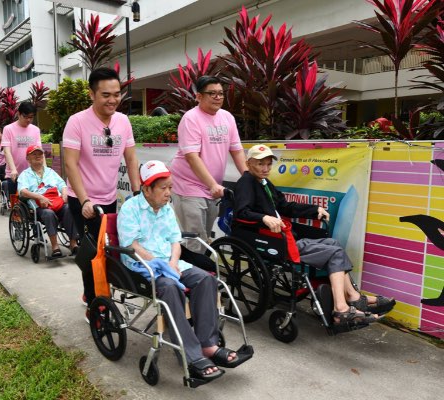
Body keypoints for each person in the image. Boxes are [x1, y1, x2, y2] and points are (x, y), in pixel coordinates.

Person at [233, 144, 396, 325]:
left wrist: (314, 210)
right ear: (248, 163)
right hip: (272, 240)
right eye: (260, 164)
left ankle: (353, 297)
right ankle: (341, 308)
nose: (265, 168)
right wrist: (264, 218)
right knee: (335, 253)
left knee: (333, 244)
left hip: (282, 236)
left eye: (268, 164)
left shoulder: (263, 183)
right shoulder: (246, 183)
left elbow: (285, 206)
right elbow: (242, 212)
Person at [118, 160, 247, 383]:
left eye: (170, 187)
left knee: (206, 280)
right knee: (170, 288)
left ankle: (207, 344)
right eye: (163, 188)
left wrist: (173, 263)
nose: (169, 193)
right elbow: (132, 245)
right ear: (147, 189)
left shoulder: (166, 208)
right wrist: (161, 264)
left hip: (170, 263)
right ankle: (191, 354)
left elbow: (175, 242)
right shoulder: (130, 208)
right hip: (143, 266)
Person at [63, 67, 141, 308]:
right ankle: (94, 302)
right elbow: (70, 164)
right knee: (94, 251)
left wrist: (138, 193)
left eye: (117, 94)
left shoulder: (123, 121)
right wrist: (84, 200)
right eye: (106, 95)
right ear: (92, 94)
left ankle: (96, 293)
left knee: (108, 250)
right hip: (82, 199)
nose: (113, 100)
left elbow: (131, 159)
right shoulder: (77, 122)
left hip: (109, 197)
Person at [170, 75, 247, 253]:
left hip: (213, 189)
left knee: (204, 239)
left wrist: (248, 177)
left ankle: (197, 267)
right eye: (212, 93)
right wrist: (212, 184)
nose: (218, 97)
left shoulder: (227, 117)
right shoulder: (191, 118)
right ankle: (191, 270)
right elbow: (192, 157)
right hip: (189, 187)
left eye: (220, 93)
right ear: (199, 96)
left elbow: (236, 150)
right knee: (196, 240)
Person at [17, 145, 79, 257]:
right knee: (48, 213)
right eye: (34, 154)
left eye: (40, 154)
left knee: (68, 209)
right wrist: (39, 197)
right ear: (28, 158)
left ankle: (73, 244)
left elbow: (62, 184)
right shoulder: (25, 175)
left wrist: (64, 193)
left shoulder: (50, 171)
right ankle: (55, 246)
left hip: (57, 202)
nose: (38, 156)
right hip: (39, 207)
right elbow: (22, 191)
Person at [2, 102, 42, 201]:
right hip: (14, 174)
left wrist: (43, 169)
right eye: (25, 117)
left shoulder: (35, 130)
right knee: (15, 203)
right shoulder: (8, 129)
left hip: (32, 173)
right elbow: (7, 151)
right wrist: (13, 169)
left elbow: (40, 152)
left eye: (31, 117)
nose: (28, 120)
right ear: (19, 114)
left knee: (32, 203)